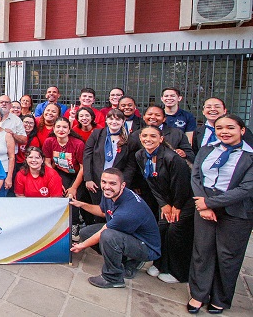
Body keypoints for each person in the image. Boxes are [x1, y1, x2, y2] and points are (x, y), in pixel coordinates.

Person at [187, 114, 253, 314]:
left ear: (242, 130)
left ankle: (220, 298)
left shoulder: (249, 156)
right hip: (205, 205)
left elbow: (246, 188)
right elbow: (196, 176)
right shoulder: (207, 149)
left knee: (228, 256)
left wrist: (210, 202)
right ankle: (198, 294)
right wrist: (203, 204)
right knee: (202, 252)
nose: (224, 132)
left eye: (230, 128)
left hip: (236, 211)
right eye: (219, 128)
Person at [70, 168, 161, 288]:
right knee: (86, 232)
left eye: (112, 183)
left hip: (147, 247)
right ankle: (123, 260)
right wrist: (81, 204)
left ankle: (113, 277)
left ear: (123, 185)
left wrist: (81, 246)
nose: (107, 187)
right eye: (104, 182)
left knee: (108, 236)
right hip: (129, 234)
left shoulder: (128, 210)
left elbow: (103, 232)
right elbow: (103, 211)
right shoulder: (110, 194)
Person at [134, 126, 194, 284]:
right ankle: (159, 264)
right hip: (166, 201)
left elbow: (182, 185)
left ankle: (178, 272)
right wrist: (164, 204)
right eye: (145, 136)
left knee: (175, 231)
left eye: (153, 136)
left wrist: (176, 206)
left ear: (161, 139)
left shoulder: (172, 158)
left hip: (184, 200)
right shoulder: (140, 155)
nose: (148, 139)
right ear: (140, 138)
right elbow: (151, 183)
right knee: (161, 228)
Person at [83, 110, 135, 224]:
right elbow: (87, 156)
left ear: (123, 121)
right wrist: (88, 178)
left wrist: (122, 184)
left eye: (117, 119)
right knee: (99, 212)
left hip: (115, 184)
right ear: (106, 120)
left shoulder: (129, 140)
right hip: (96, 181)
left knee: (113, 211)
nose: (114, 122)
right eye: (111, 119)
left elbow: (130, 166)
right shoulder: (97, 134)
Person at [129, 105, 195, 163]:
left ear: (164, 119)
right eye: (150, 114)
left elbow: (191, 155)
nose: (153, 117)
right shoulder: (135, 135)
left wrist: (184, 154)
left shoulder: (177, 133)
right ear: (143, 117)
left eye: (157, 115)